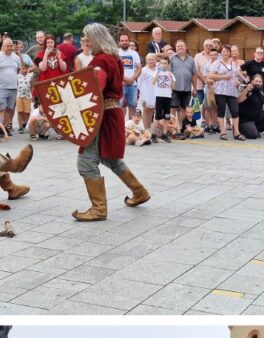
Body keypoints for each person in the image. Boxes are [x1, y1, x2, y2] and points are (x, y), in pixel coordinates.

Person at [70, 23, 150, 222]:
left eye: (87, 38)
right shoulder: (114, 58)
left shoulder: (100, 60)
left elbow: (95, 87)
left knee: (86, 162)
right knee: (110, 158)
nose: (85, 42)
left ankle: (98, 209)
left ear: (96, 39)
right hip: (112, 111)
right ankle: (139, 192)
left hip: (101, 115)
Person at [0, 38, 29, 136]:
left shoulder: (16, 57)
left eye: (11, 46)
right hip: (0, 87)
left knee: (10, 109)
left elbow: (18, 70)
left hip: (13, 87)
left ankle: (4, 128)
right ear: (3, 46)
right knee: (1, 109)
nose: (9, 48)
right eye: (7, 46)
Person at [206, 45, 240, 140]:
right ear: (221, 53)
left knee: (235, 111)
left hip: (232, 91)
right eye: (223, 51)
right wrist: (223, 77)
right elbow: (210, 75)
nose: (225, 53)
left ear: (230, 53)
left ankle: (236, 132)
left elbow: (234, 76)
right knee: (221, 111)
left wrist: (236, 82)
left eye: (227, 51)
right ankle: (223, 131)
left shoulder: (233, 64)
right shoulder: (217, 63)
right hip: (220, 91)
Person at [167, 40, 194, 139]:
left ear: (186, 47)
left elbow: (194, 75)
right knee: (173, 108)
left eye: (182, 46)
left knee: (183, 109)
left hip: (186, 88)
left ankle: (181, 127)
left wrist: (194, 87)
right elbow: (168, 74)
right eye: (178, 47)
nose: (180, 48)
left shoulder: (191, 60)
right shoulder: (171, 59)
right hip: (174, 88)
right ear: (175, 47)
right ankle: (173, 129)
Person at [236, 74, 264, 140]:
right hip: (245, 119)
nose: (258, 83)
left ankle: (255, 129)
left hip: (255, 118)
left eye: (260, 81)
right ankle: (239, 129)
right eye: (256, 81)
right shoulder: (247, 89)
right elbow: (239, 100)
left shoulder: (262, 92)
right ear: (252, 81)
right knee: (254, 135)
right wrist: (246, 90)